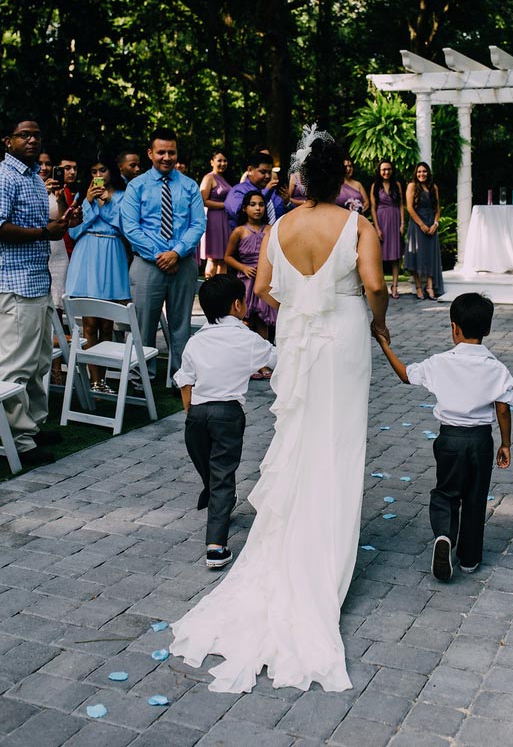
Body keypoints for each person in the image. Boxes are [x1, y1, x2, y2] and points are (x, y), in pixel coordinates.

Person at [170, 131, 388, 694]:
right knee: (338, 439)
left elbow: (263, 288)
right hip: (342, 338)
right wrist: (375, 320)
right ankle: (326, 548)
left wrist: (303, 308)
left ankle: (293, 531)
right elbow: (375, 283)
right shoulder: (359, 225)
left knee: (298, 437)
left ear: (299, 178)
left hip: (298, 339)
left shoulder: (277, 227)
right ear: (340, 175)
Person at [373, 292, 513, 580]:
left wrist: (384, 344)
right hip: (480, 441)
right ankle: (469, 559)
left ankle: (444, 535)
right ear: (487, 330)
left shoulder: (440, 362)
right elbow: (502, 409)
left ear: (454, 328)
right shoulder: (497, 368)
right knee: (475, 499)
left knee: (446, 493)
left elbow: (405, 374)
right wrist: (505, 444)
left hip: (450, 440)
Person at [173, 274, 278, 570]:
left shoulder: (196, 341)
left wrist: (191, 415)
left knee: (209, 467)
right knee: (221, 475)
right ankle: (216, 546)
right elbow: (278, 360)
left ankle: (219, 502)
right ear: (237, 305)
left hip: (196, 413)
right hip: (227, 414)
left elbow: (185, 381)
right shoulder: (247, 339)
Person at [0, 118, 81, 466]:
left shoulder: (33, 176)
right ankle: (14, 441)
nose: (32, 139)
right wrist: (42, 233)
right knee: (15, 364)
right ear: (8, 141)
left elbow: (45, 225)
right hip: (14, 282)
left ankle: (30, 426)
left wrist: (61, 225)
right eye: (24, 135)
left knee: (39, 363)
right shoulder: (4, 176)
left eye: (36, 134)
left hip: (38, 280)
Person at [121, 127, 206, 384]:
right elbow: (131, 227)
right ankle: (140, 380)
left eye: (171, 152)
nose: (166, 157)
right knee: (143, 325)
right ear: (150, 153)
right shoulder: (137, 186)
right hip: (147, 264)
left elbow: (197, 224)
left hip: (183, 264)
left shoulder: (189, 186)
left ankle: (180, 377)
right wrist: (161, 255)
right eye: (161, 152)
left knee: (181, 325)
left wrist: (177, 253)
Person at [64, 153, 130, 393]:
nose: (98, 176)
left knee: (107, 324)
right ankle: (95, 380)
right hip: (87, 254)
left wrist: (108, 202)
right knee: (89, 323)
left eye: (102, 170)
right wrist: (89, 204)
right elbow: (73, 233)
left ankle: (104, 378)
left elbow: (124, 228)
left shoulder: (123, 197)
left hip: (112, 254)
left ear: (111, 171)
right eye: (93, 172)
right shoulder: (83, 198)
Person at [224, 191, 277, 350]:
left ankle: (264, 360)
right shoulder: (239, 231)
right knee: (245, 321)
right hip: (246, 281)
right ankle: (247, 358)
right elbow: (227, 256)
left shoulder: (270, 229)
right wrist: (243, 267)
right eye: (253, 204)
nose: (258, 208)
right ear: (244, 208)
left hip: (265, 280)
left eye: (261, 204)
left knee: (263, 320)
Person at [403, 161, 443, 299]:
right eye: (419, 171)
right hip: (417, 224)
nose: (422, 174)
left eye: (424, 171)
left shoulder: (434, 187)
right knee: (416, 254)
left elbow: (438, 209)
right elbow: (409, 208)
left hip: (431, 224)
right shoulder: (412, 186)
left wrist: (435, 224)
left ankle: (430, 286)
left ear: (428, 173)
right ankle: (419, 286)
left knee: (430, 255)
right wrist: (421, 225)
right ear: (416, 173)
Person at [37, 151, 70, 313]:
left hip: (58, 251)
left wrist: (59, 198)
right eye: (40, 163)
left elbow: (63, 220)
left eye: (48, 163)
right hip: (36, 246)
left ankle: (56, 337)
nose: (44, 167)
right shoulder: (30, 186)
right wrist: (43, 191)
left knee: (56, 305)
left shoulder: (58, 187)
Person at [224, 151, 286, 230]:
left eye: (269, 172)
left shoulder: (273, 192)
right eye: (263, 172)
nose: (267, 176)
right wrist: (265, 193)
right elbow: (242, 215)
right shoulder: (237, 192)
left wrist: (287, 203)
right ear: (250, 170)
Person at [370, 159, 404, 299]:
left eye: (388, 169)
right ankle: (382, 286)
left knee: (395, 256)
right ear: (379, 171)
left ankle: (395, 286)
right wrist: (376, 228)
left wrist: (402, 223)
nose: (386, 172)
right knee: (381, 256)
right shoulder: (375, 186)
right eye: (383, 169)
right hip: (382, 219)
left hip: (395, 219)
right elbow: (372, 207)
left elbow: (401, 204)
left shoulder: (397, 185)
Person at [199, 149, 232, 278]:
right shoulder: (209, 178)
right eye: (219, 160)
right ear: (212, 162)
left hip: (225, 220)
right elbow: (203, 200)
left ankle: (221, 289)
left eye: (225, 161)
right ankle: (210, 287)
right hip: (213, 219)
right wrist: (224, 205)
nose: (223, 163)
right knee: (213, 257)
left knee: (223, 257)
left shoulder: (223, 178)